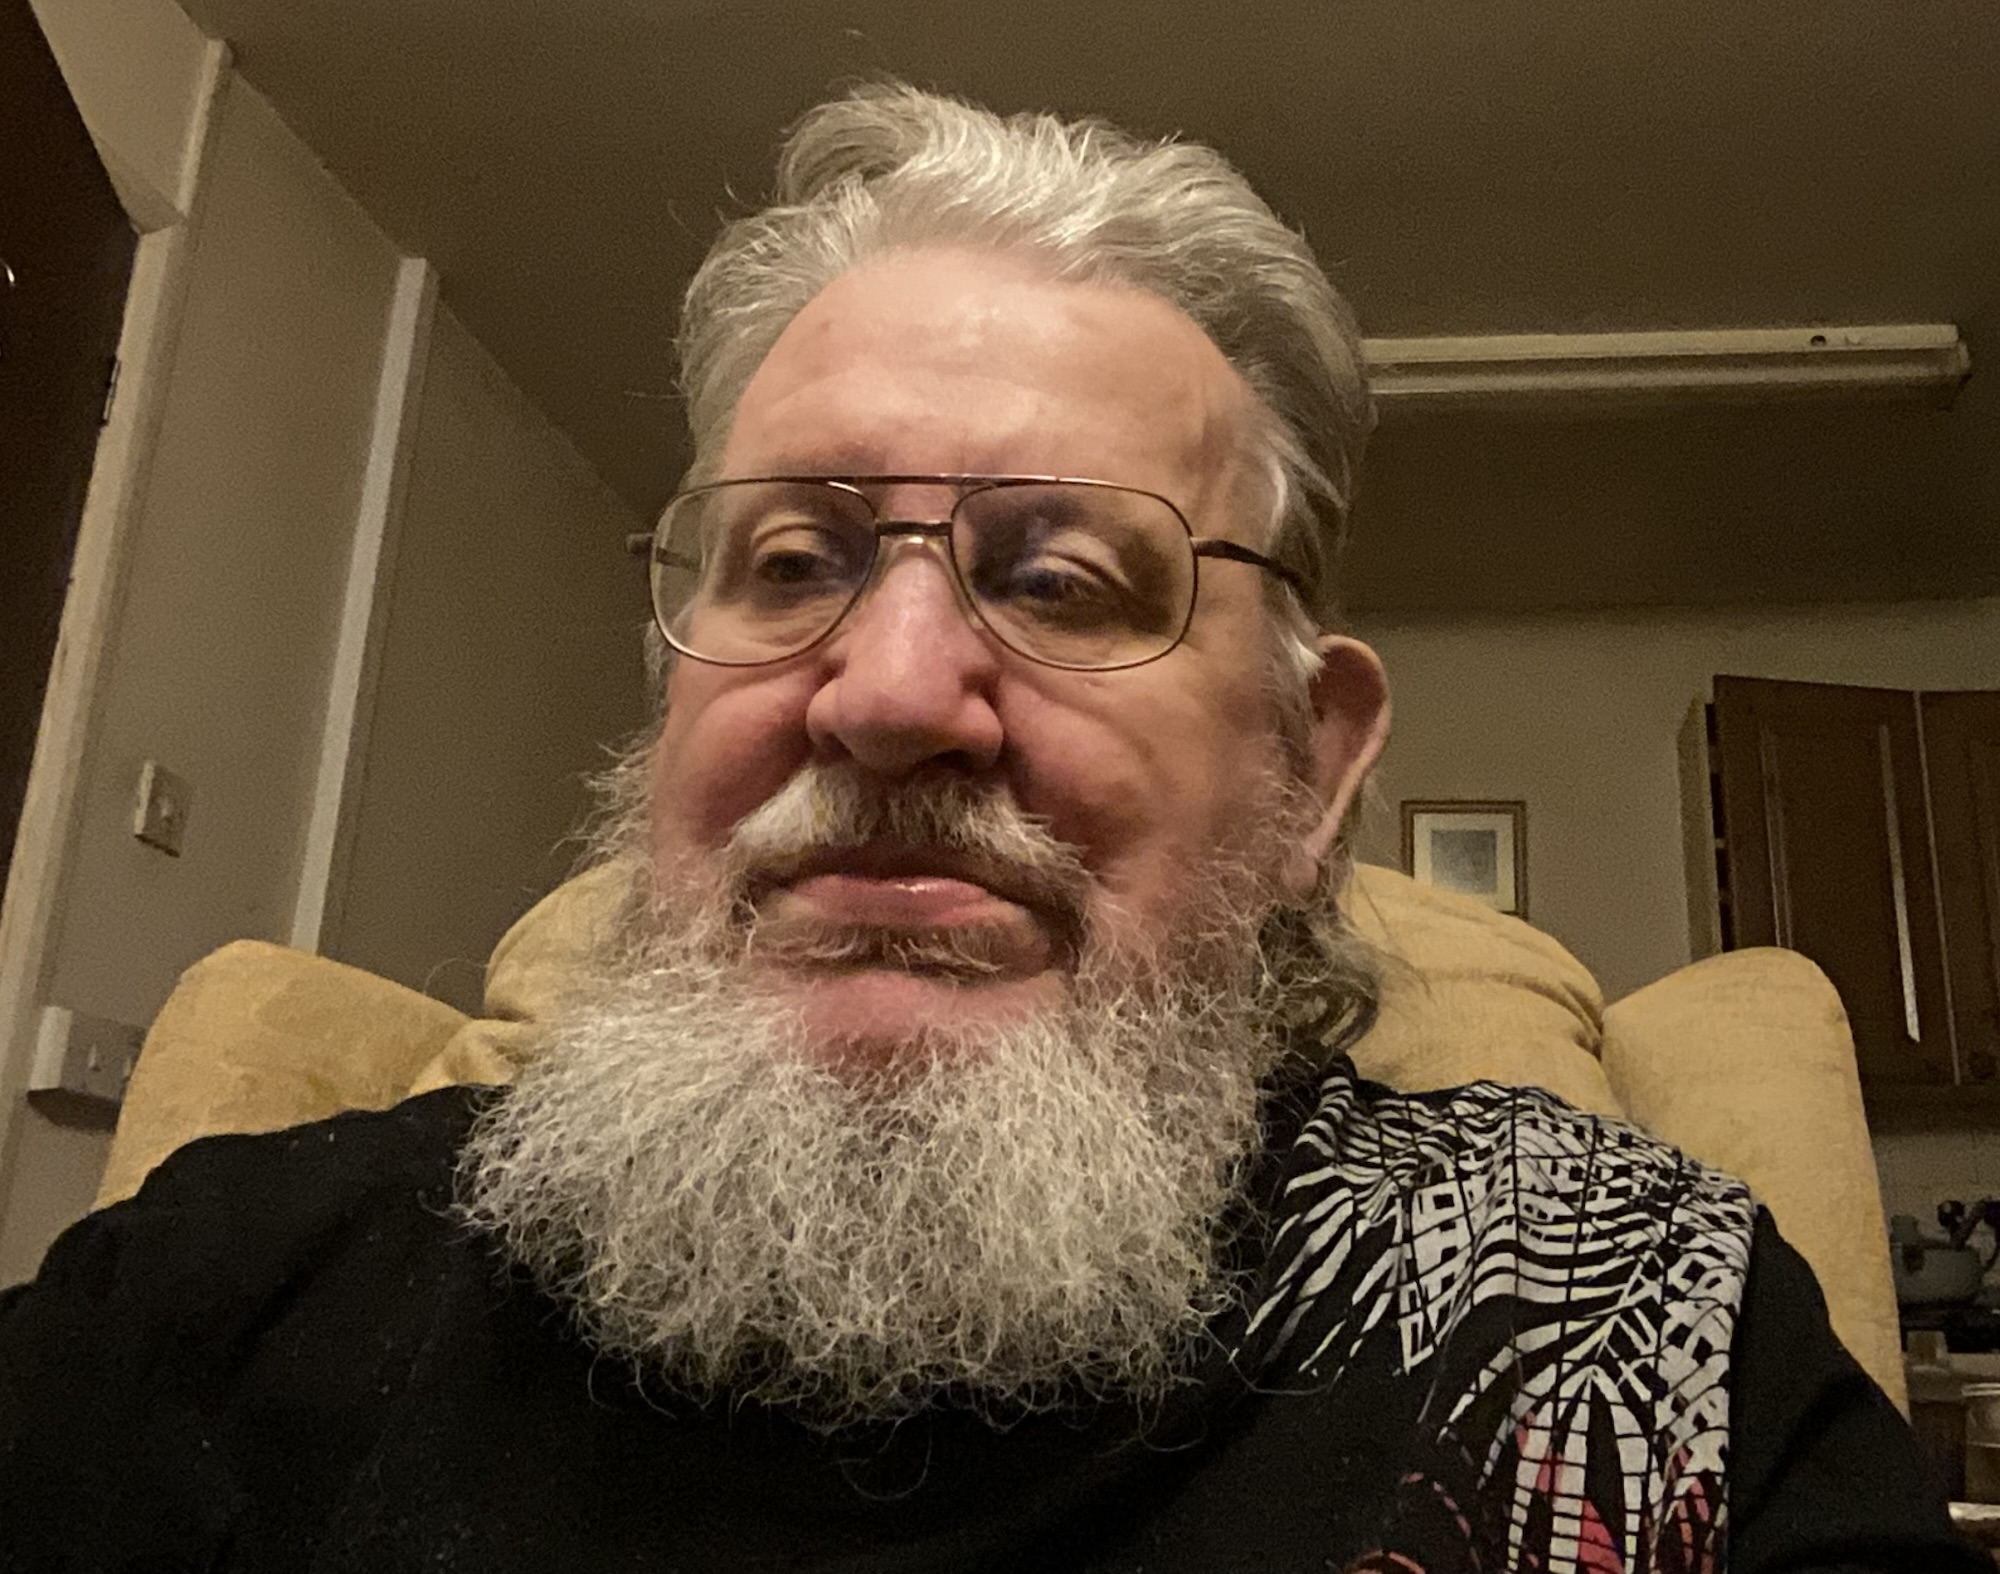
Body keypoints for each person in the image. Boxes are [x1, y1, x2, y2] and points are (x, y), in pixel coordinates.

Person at [0, 84, 1979, 1574]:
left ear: (1308, 770)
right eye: (795, 558)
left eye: (1063, 579)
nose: (884, 692)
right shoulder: (225, 1301)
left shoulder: (1632, 1325)